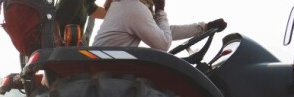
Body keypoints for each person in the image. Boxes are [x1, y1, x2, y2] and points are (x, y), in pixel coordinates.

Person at [92, 0, 226, 51]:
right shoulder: (134, 8)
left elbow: (164, 33)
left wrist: (205, 27)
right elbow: (163, 44)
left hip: (108, 64)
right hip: (108, 67)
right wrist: (160, 10)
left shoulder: (125, 4)